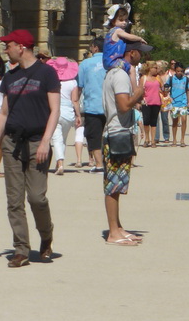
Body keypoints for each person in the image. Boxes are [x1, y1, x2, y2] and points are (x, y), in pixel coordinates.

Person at [0, 29, 60, 268]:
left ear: (21, 47)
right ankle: (21, 249)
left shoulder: (47, 73)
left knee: (37, 197)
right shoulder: (9, 77)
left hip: (37, 141)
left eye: (7, 45)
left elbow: (55, 111)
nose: (4, 49)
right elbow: (3, 113)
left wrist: (45, 141)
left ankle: (46, 233)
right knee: (14, 200)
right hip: (12, 142)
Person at [102, 39, 152, 246]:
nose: (143, 56)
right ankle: (113, 232)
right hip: (117, 134)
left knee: (117, 184)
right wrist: (139, 93)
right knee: (113, 186)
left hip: (117, 132)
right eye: (141, 52)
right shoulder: (121, 76)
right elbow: (123, 105)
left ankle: (118, 227)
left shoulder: (115, 73)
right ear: (131, 53)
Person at [48, 56, 82, 174]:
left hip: (55, 111)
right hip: (68, 112)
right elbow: (75, 101)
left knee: (56, 138)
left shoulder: (52, 81)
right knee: (63, 139)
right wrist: (78, 116)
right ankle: (59, 164)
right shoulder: (73, 82)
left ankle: (60, 163)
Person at [77, 39, 107, 173]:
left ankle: (99, 164)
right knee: (109, 135)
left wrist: (76, 105)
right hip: (110, 106)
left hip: (92, 106)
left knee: (93, 136)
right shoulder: (110, 63)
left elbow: (80, 86)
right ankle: (109, 162)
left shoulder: (85, 64)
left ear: (95, 48)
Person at [102, 4, 143, 81]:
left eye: (126, 20)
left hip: (108, 61)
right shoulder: (118, 31)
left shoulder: (109, 33)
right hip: (114, 61)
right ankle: (135, 89)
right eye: (121, 20)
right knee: (131, 69)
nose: (124, 22)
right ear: (113, 21)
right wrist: (139, 38)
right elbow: (129, 36)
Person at [140, 61, 163, 147]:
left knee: (154, 121)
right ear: (150, 68)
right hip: (146, 102)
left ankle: (153, 140)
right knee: (146, 120)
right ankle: (147, 139)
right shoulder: (144, 78)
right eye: (155, 68)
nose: (157, 70)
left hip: (156, 101)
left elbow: (163, 87)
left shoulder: (158, 78)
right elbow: (140, 90)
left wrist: (164, 90)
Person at [167, 64, 189, 146]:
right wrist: (168, 97)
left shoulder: (185, 79)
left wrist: (188, 101)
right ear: (175, 71)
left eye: (181, 71)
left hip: (183, 102)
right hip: (174, 103)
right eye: (178, 71)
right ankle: (174, 139)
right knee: (175, 122)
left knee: (184, 120)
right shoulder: (171, 79)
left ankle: (182, 139)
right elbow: (166, 89)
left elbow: (187, 90)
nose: (179, 73)